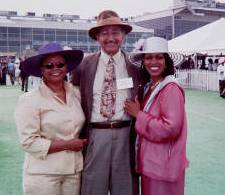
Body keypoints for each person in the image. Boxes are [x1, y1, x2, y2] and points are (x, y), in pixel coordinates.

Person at [72, 10, 141, 195]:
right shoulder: (83, 66)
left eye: (115, 32)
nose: (110, 38)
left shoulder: (135, 66)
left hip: (126, 136)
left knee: (125, 189)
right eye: (104, 33)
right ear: (96, 37)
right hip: (95, 136)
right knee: (92, 188)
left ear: (124, 36)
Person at [15, 42, 88, 195]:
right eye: (49, 66)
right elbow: (29, 142)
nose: (55, 69)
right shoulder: (29, 99)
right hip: (42, 175)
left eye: (60, 64)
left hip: (74, 172)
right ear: (41, 69)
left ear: (66, 67)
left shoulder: (77, 93)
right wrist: (68, 144)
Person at [124, 37, 189, 195]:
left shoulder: (171, 88)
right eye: (149, 57)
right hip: (152, 163)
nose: (154, 62)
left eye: (159, 57)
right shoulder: (150, 87)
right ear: (143, 62)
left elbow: (170, 128)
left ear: (166, 61)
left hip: (164, 165)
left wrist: (138, 115)